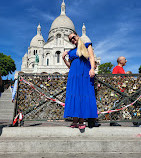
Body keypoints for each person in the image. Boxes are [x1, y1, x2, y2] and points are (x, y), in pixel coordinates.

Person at [62, 31, 98, 130]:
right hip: (74, 75)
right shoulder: (71, 51)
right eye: (70, 39)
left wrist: (92, 69)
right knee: (74, 94)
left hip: (84, 74)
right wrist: (64, 59)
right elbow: (70, 66)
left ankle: (81, 121)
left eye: (73, 37)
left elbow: (91, 57)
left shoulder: (87, 45)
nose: (72, 40)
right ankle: (74, 120)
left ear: (77, 36)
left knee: (83, 94)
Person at [110, 56, 127, 126]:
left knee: (122, 104)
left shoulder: (121, 69)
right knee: (116, 104)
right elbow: (113, 77)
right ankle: (113, 121)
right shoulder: (116, 68)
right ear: (120, 61)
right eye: (125, 59)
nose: (126, 61)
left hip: (122, 90)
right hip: (118, 90)